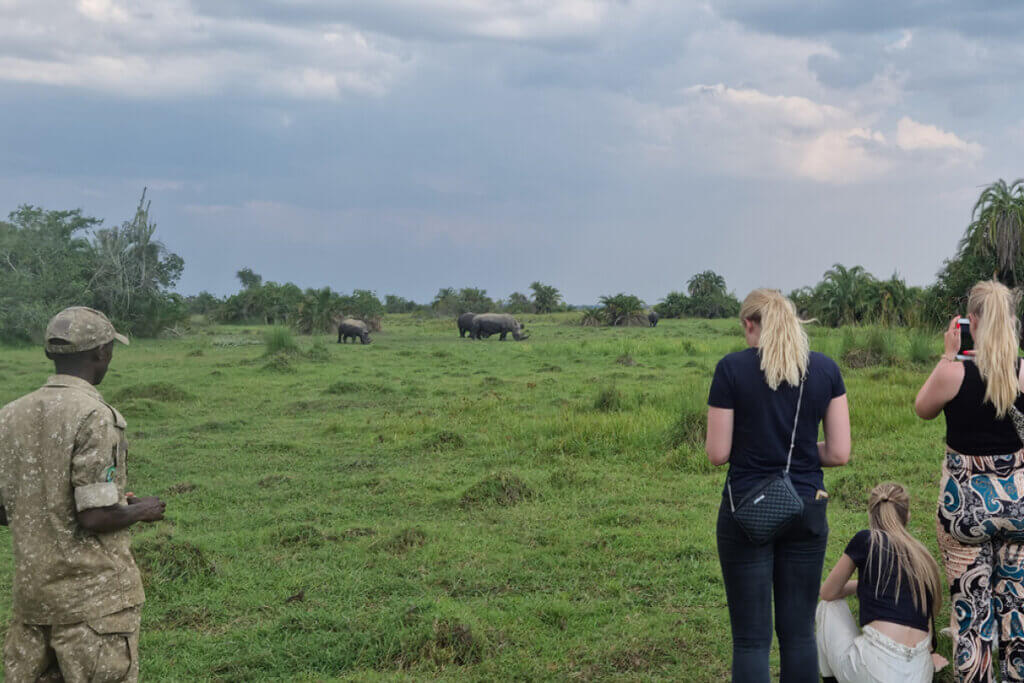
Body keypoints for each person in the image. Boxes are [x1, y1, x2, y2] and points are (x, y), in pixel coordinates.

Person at [0, 307, 166, 683]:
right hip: (94, 608)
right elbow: (94, 517)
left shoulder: (9, 415)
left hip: (32, 604)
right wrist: (142, 510)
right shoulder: (95, 415)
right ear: (102, 353)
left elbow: (5, 508)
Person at [706, 288, 851, 682]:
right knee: (799, 634)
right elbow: (839, 453)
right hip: (806, 506)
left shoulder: (731, 369)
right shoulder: (825, 369)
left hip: (748, 510)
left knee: (751, 641)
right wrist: (803, 450)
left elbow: (717, 453)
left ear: (750, 325)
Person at [914, 280, 1024, 682]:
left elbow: (922, 409)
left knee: (972, 617)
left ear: (970, 322)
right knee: (1017, 609)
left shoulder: (954, 373)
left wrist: (947, 355)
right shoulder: (1021, 370)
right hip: (1018, 508)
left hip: (966, 511)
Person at [816, 482, 945, 682]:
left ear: (870, 514)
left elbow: (828, 592)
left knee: (827, 606)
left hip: (877, 669)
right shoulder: (922, 558)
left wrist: (860, 585)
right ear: (907, 516)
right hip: (920, 673)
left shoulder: (866, 540)